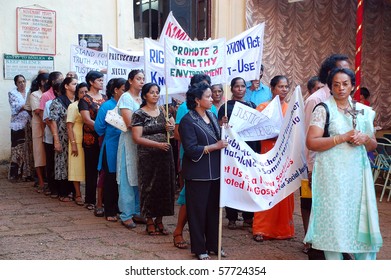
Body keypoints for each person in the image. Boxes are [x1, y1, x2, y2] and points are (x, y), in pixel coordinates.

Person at [304, 67, 382, 260]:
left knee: (359, 219)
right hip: (332, 178)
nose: (341, 88)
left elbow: (373, 145)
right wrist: (341, 138)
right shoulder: (323, 109)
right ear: (330, 87)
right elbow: (311, 142)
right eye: (336, 84)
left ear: (353, 86)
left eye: (345, 84)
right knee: (335, 221)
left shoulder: (363, 111)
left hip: (357, 178)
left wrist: (364, 139)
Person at [303, 54, 350, 254]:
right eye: (342, 69)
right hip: (317, 163)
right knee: (313, 204)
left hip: (341, 166)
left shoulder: (347, 99)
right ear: (330, 74)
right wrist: (312, 168)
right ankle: (313, 243)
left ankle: (338, 243)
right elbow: (310, 137)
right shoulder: (315, 100)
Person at [179, 82, 228, 260]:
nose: (212, 98)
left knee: (214, 211)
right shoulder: (187, 120)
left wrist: (225, 130)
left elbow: (218, 137)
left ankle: (214, 245)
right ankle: (200, 248)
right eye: (207, 96)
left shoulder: (212, 115)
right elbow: (191, 149)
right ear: (197, 100)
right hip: (197, 173)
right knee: (197, 212)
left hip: (215, 172)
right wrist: (215, 146)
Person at [172, 74, 213, 249]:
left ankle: (208, 238)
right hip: (193, 158)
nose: (209, 93)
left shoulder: (212, 109)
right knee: (188, 198)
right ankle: (179, 231)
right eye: (203, 87)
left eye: (208, 86)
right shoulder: (185, 109)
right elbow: (178, 133)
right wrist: (198, 146)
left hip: (211, 162)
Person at [252, 75, 293, 242]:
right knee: (266, 191)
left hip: (285, 157)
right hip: (267, 154)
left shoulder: (291, 109)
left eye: (286, 87)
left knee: (284, 192)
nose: (284, 90)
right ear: (272, 88)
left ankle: (284, 230)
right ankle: (261, 229)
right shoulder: (263, 107)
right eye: (280, 87)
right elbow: (252, 129)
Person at [132, 83, 176, 236]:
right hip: (148, 156)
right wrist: (157, 145)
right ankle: (149, 221)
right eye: (152, 92)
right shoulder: (139, 114)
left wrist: (171, 128)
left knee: (164, 187)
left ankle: (160, 220)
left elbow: (173, 133)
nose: (155, 95)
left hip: (164, 154)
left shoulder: (164, 110)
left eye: (157, 92)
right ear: (145, 95)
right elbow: (136, 138)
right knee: (149, 187)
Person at [218, 77, 257, 230]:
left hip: (249, 149)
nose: (240, 89)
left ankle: (248, 217)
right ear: (232, 89)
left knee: (248, 182)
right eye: (237, 86)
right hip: (232, 152)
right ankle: (232, 217)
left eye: (243, 86)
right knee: (233, 182)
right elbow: (219, 127)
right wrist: (223, 123)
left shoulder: (252, 106)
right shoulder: (226, 107)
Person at [116, 70, 145, 229]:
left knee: (138, 177)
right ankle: (126, 214)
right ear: (130, 80)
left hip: (141, 143)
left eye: (143, 79)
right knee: (127, 177)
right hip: (129, 141)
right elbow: (129, 122)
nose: (141, 81)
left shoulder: (142, 97)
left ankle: (137, 211)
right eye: (138, 79)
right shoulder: (126, 97)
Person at [95, 78, 126, 221]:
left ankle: (120, 208)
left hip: (126, 145)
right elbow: (99, 127)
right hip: (112, 146)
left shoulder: (128, 105)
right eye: (123, 89)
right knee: (110, 178)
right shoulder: (107, 106)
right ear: (116, 90)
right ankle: (109, 210)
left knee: (123, 178)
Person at [78, 71, 107, 213]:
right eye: (99, 80)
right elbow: (86, 120)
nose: (102, 82)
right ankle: (90, 199)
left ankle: (103, 200)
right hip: (91, 138)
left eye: (102, 80)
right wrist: (101, 128)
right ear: (91, 82)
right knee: (91, 170)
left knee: (104, 170)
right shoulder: (85, 100)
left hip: (105, 138)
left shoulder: (105, 98)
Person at [47, 77, 78, 202]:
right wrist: (56, 140)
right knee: (62, 163)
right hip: (62, 136)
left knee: (74, 163)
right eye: (74, 84)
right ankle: (63, 192)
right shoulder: (58, 102)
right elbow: (53, 121)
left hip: (76, 137)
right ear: (66, 86)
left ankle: (75, 191)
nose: (76, 86)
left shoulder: (78, 101)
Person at [39, 71, 64, 197]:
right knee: (51, 162)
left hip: (64, 138)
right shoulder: (49, 102)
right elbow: (47, 119)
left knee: (61, 163)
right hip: (50, 137)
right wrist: (58, 128)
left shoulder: (68, 102)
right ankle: (52, 187)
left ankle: (62, 188)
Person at [8, 74, 34, 182]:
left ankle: (26, 173)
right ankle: (15, 174)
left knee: (28, 149)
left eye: (23, 81)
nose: (22, 84)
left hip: (28, 123)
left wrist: (25, 106)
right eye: (19, 82)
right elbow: (15, 108)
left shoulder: (29, 91)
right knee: (17, 150)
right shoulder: (12, 93)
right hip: (17, 125)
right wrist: (26, 106)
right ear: (16, 84)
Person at [66, 82, 88, 206]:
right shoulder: (73, 106)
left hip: (89, 139)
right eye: (81, 92)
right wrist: (73, 143)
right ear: (77, 94)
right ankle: (78, 194)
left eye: (86, 92)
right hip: (77, 138)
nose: (84, 94)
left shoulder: (90, 104)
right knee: (76, 167)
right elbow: (69, 126)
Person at [29, 72, 49, 193]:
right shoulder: (34, 94)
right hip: (38, 125)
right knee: (39, 153)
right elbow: (37, 110)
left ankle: (47, 179)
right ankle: (40, 180)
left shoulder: (51, 93)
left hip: (49, 125)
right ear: (42, 82)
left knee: (47, 154)